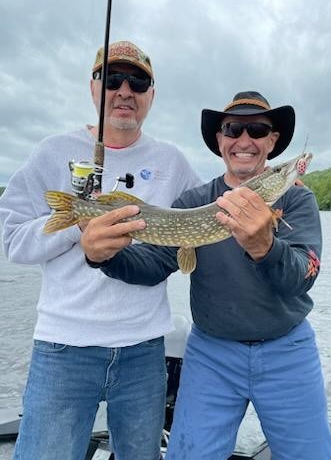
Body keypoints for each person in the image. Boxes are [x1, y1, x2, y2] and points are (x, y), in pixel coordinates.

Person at [81, 91, 331, 460]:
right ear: (219, 140)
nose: (244, 140)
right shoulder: (193, 202)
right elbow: (153, 265)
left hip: (287, 350)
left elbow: (303, 277)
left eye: (258, 129)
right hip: (212, 354)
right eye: (233, 129)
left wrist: (266, 247)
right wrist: (101, 256)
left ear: (272, 141)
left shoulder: (296, 200)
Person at [0, 40, 201, 460]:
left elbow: (214, 210)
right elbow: (12, 239)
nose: (125, 91)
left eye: (138, 81)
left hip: (145, 350)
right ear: (94, 88)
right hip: (63, 349)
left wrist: (270, 192)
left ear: (151, 94)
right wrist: (78, 226)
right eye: (112, 79)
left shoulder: (173, 161)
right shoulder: (51, 151)